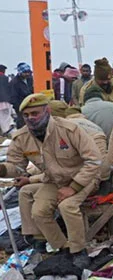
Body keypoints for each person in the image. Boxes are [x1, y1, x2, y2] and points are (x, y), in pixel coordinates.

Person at [5, 94, 101, 268]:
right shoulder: (22, 137)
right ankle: (63, 248)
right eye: (26, 116)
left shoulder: (69, 129)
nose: (30, 119)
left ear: (47, 111)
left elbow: (94, 160)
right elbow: (16, 166)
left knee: (67, 206)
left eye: (35, 113)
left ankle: (79, 251)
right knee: (39, 211)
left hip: (83, 178)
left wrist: (74, 187)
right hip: (53, 181)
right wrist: (3, 169)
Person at [9, 63, 33, 129]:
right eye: (25, 72)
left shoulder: (31, 79)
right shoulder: (14, 82)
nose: (27, 74)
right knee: (23, 123)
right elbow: (13, 97)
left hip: (31, 104)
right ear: (20, 72)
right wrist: (19, 107)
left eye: (28, 72)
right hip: (20, 107)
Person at [0, 64, 14, 136]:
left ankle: (5, 131)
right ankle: (7, 131)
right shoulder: (7, 79)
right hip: (6, 101)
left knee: (2, 117)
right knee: (6, 117)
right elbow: (11, 89)